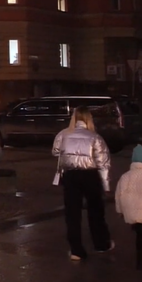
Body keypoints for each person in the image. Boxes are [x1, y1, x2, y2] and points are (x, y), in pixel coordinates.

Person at [52, 106, 113, 261]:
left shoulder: (63, 134)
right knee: (96, 212)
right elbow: (103, 163)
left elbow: (55, 151)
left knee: (72, 213)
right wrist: (106, 186)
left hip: (71, 176)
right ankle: (101, 243)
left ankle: (76, 250)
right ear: (89, 119)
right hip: (90, 176)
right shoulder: (95, 137)